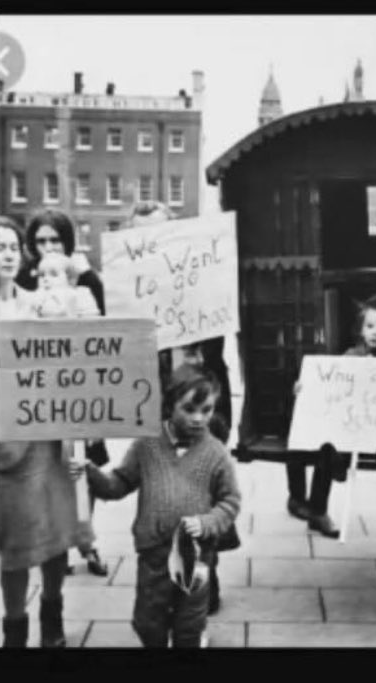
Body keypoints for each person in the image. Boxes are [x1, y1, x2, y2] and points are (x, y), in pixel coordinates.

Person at [80, 366, 241, 648]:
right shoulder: (146, 446)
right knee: (148, 623)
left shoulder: (216, 453)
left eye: (206, 410)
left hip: (197, 556)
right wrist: (90, 474)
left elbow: (230, 502)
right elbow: (118, 484)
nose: (198, 418)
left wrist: (207, 522)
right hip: (154, 555)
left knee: (189, 626)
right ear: (169, 405)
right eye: (189, 409)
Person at [127, 201, 235, 620]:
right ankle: (165, 586)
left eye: (157, 233)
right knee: (164, 505)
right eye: (140, 235)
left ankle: (207, 578)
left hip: (202, 414)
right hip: (156, 418)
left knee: (205, 502)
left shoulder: (199, 279)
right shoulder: (130, 288)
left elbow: (220, 343)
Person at [0, 216, 84, 647]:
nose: (8, 254)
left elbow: (80, 354)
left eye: (13, 246)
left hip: (49, 438)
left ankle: (53, 614)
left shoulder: (41, 302)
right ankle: (14, 626)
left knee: (55, 533)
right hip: (3, 446)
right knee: (15, 542)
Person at [14, 209, 110, 577]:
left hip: (82, 388)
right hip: (40, 392)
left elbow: (104, 327)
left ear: (68, 243)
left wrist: (81, 276)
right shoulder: (24, 281)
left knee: (83, 468)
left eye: (55, 240)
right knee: (47, 471)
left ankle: (88, 540)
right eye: (41, 241)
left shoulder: (87, 282)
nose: (48, 247)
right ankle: (58, 545)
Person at [288, 291, 376, 538]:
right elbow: (329, 387)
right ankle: (318, 510)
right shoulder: (350, 357)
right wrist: (304, 388)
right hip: (350, 426)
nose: (374, 332)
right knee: (327, 450)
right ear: (361, 329)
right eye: (370, 326)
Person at [31, 252, 100, 318]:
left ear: (69, 278)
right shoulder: (37, 297)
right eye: (42, 275)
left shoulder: (80, 295)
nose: (45, 279)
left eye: (54, 274)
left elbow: (92, 320)